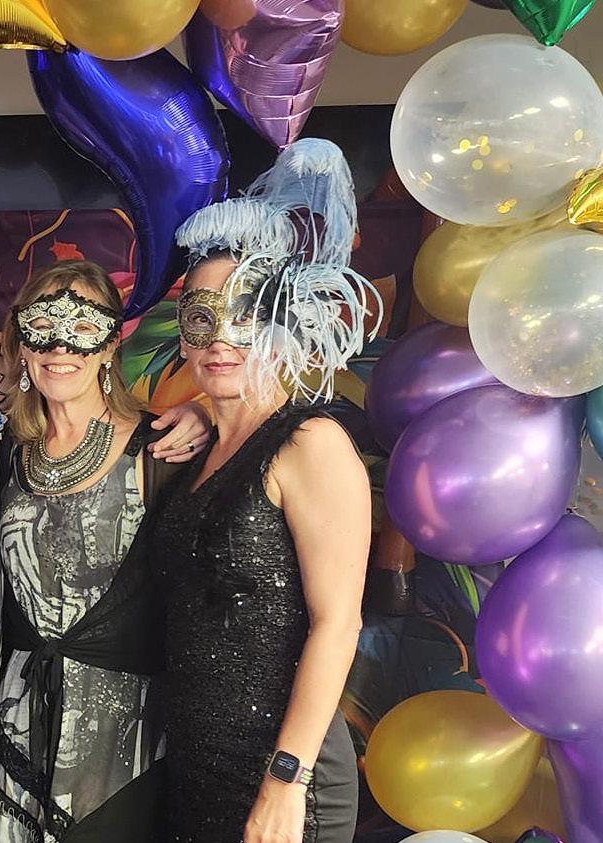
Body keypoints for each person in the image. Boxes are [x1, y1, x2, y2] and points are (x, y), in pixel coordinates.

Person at [149, 138, 375, 843]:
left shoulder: (311, 444)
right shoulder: (198, 449)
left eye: (246, 312)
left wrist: (284, 780)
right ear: (183, 333)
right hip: (197, 761)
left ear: (280, 322)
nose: (221, 338)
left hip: (283, 774)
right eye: (202, 317)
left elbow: (338, 624)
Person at [0, 260, 186, 843]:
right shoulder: (5, 448)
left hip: (123, 726)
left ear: (110, 345)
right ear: (22, 344)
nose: (60, 346)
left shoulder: (161, 447)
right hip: (18, 711)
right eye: (42, 327)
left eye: (82, 327)